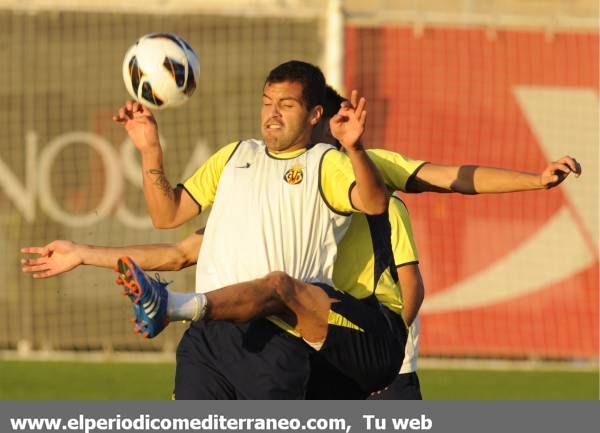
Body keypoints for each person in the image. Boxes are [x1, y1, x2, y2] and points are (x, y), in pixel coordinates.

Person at [22, 82, 581, 399]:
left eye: (334, 125)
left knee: (281, 288)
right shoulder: (273, 188)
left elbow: (448, 182)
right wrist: (83, 253)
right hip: (308, 341)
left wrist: (533, 179)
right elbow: (181, 251)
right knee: (277, 290)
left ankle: (176, 307)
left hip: (372, 354)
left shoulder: (370, 187)